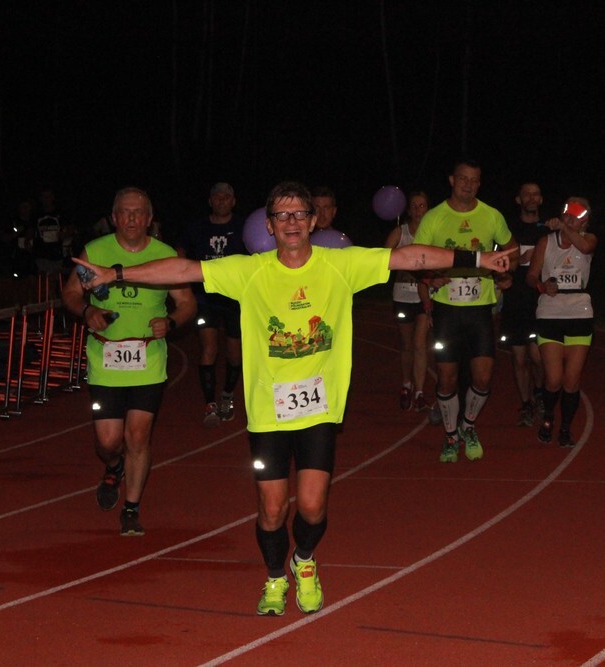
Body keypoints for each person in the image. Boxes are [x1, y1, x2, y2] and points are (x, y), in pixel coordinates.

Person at [72, 180, 510, 616]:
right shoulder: (251, 270)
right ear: (270, 224)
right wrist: (116, 274)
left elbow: (411, 256)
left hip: (320, 407)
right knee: (272, 509)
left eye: (300, 214)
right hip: (268, 413)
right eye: (282, 215)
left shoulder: (341, 264)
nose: (292, 222)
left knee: (314, 506)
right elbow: (184, 271)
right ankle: (275, 578)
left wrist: (480, 259)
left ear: (314, 221)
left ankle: (303, 562)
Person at [61, 186, 197, 536]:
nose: (132, 218)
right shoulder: (95, 251)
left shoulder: (165, 254)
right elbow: (71, 293)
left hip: (148, 359)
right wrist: (87, 310)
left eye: (139, 212)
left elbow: (187, 304)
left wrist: (170, 323)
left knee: (138, 436)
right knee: (108, 441)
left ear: (150, 219)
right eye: (125, 211)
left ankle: (132, 508)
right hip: (105, 359)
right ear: (114, 217)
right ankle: (114, 464)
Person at [413, 158, 519, 463]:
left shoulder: (491, 215)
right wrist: (430, 277)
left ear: (479, 183)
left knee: (483, 377)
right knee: (446, 378)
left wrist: (504, 268)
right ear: (451, 180)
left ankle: (468, 427)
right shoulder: (434, 218)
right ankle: (450, 435)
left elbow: (512, 250)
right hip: (447, 309)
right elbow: (417, 257)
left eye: (474, 180)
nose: (468, 185)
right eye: (463, 179)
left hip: (480, 309)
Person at [527, 197, 598, 448]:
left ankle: (566, 428)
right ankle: (548, 417)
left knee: (571, 379)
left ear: (585, 220)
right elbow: (531, 275)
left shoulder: (588, 240)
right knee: (554, 378)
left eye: (576, 216)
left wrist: (565, 228)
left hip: (580, 313)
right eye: (567, 214)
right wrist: (542, 285)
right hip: (550, 314)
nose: (569, 219)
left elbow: (584, 247)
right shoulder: (546, 241)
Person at [177, 182, 247, 427]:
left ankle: (227, 395)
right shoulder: (197, 227)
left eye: (226, 197)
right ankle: (210, 403)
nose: (221, 201)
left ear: (233, 201)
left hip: (234, 300)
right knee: (208, 349)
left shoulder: (243, 227)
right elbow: (180, 251)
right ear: (210, 201)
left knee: (234, 353)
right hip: (205, 298)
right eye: (216, 197)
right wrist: (182, 278)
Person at [499, 182, 549, 426]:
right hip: (514, 302)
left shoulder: (548, 230)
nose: (531, 197)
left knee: (538, 357)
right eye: (527, 194)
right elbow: (498, 262)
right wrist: (516, 262)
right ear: (519, 199)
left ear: (540, 199)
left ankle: (539, 392)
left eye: (536, 194)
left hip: (541, 304)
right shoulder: (508, 231)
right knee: (519, 359)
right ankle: (526, 404)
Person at [384, 190, 437, 412]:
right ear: (408, 210)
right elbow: (382, 258)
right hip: (402, 295)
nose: (417, 210)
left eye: (422, 206)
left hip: (425, 297)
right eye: (414, 206)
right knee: (406, 345)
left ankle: (419, 392)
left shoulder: (434, 234)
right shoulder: (400, 232)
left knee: (420, 344)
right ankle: (406, 384)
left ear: (428, 209)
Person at [33, 187, 65, 277]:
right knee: (43, 278)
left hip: (57, 252)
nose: (46, 199)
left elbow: (68, 229)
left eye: (48, 196)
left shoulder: (60, 213)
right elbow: (31, 231)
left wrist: (64, 234)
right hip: (41, 252)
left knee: (55, 278)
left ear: (53, 197)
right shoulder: (36, 214)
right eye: (44, 196)